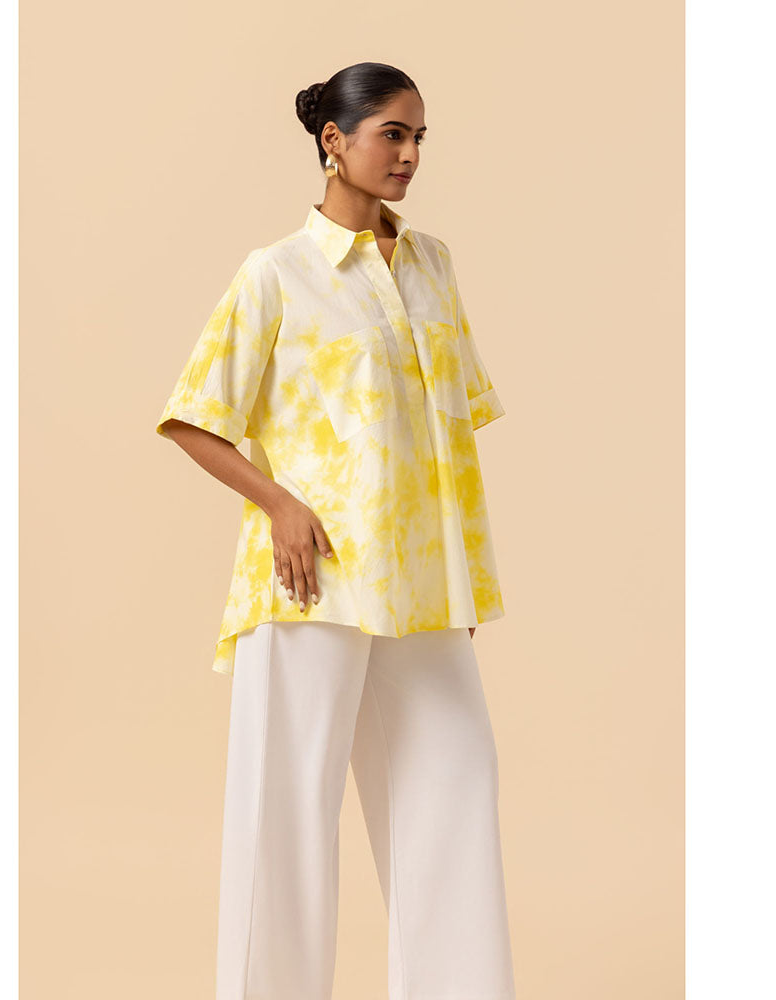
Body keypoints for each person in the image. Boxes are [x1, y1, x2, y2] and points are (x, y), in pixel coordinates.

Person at [156, 61, 516, 1000]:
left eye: (419, 137)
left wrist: (459, 576)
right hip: (308, 580)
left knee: (455, 792)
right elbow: (194, 417)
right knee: (284, 820)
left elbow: (450, 433)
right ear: (334, 140)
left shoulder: (433, 264)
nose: (410, 155)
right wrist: (279, 503)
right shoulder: (276, 273)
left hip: (420, 586)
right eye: (393, 133)